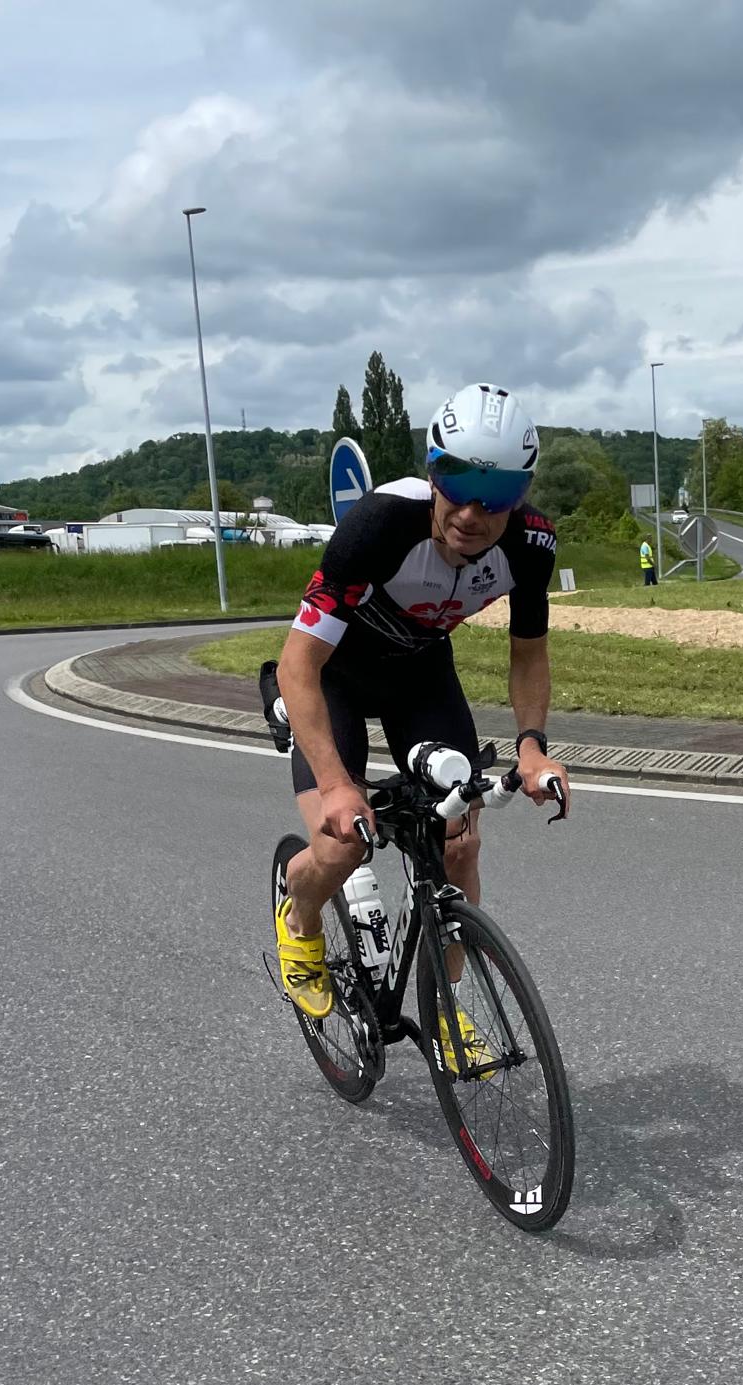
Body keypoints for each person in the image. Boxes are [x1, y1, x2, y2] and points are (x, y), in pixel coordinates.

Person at [272, 381, 572, 1029]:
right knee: (341, 847)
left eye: (496, 494)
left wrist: (531, 745)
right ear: (432, 471)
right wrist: (337, 786)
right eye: (457, 481)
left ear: (522, 493)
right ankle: (300, 919)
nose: (471, 511)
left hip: (419, 674)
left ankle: (445, 1012)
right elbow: (299, 665)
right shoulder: (380, 524)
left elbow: (529, 654)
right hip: (336, 676)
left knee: (460, 846)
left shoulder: (530, 546)